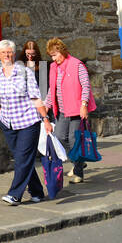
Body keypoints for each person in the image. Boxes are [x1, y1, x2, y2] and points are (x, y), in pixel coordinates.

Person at [0, 39, 51, 206]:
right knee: (22, 158)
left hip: (28, 121)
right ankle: (37, 192)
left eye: (9, 52)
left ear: (14, 54)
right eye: (3, 52)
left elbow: (36, 97)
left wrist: (45, 119)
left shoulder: (25, 73)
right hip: (8, 122)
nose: (6, 55)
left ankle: (15, 194)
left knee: (22, 158)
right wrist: (0, 113)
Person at [44, 38, 96, 183]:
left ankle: (79, 173)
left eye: (55, 55)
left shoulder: (76, 64)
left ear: (62, 51)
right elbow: (52, 88)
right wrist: (46, 105)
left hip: (76, 109)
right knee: (59, 138)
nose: (54, 59)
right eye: (51, 56)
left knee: (74, 140)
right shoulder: (54, 67)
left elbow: (86, 85)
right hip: (61, 110)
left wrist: (84, 105)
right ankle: (77, 162)